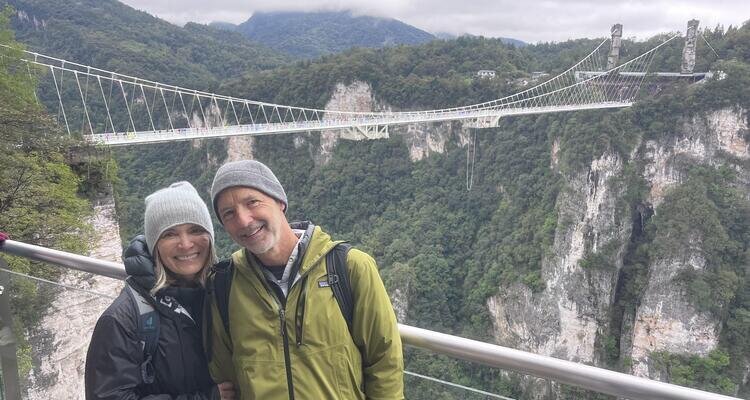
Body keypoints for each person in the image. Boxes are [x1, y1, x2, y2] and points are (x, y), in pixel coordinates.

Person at [206, 160, 404, 399]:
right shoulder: (225, 285)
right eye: (229, 213)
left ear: (280, 202)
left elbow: (384, 363)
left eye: (252, 202)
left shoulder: (349, 267)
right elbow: (227, 377)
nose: (244, 220)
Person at [85, 182, 235, 400]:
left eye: (195, 230)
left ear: (210, 237)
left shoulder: (224, 293)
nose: (185, 244)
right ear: (155, 244)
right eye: (170, 234)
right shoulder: (123, 319)